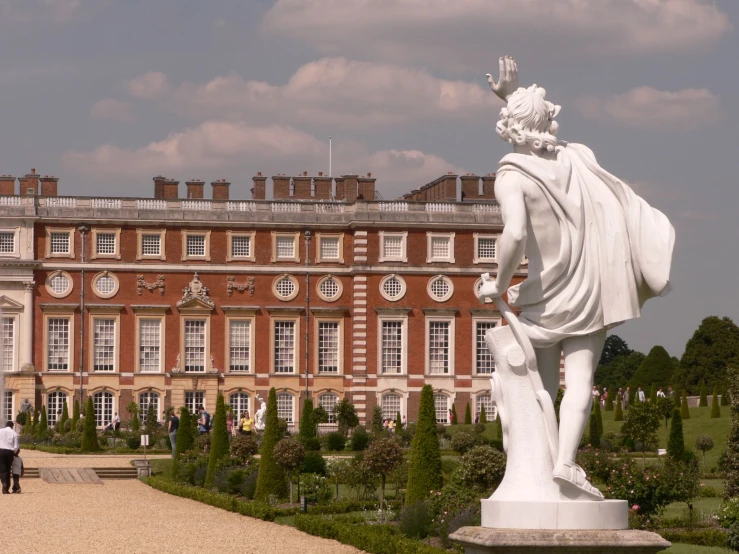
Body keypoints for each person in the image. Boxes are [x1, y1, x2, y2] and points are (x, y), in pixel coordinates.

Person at [479, 57, 674, 500]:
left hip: (545, 296)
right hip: (589, 288)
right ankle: (565, 462)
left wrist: (497, 280)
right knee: (581, 378)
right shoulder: (576, 157)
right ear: (549, 124)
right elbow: (542, 136)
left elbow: (514, 234)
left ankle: (539, 469)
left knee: (541, 385)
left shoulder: (511, 175)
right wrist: (515, 99)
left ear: (508, 127)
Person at [0, 420, 19, 494]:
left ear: (6, 425)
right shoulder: (14, 433)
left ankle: (4, 484)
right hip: (9, 452)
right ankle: (6, 487)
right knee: (8, 469)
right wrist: (12, 453)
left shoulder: (0, 431)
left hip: (0, 451)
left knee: (2, 469)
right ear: (12, 426)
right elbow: (16, 447)